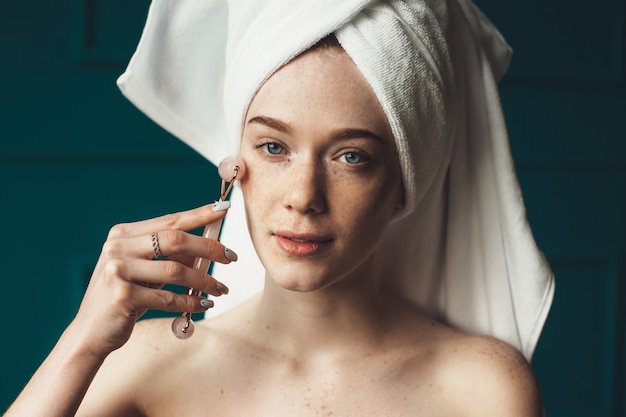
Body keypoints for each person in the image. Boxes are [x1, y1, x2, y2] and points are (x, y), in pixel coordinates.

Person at [4, 0, 555, 416]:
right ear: (234, 165)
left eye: (352, 157)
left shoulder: (480, 387)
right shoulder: (141, 364)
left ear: (404, 184)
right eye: (273, 148)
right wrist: (81, 340)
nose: (303, 197)